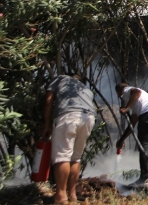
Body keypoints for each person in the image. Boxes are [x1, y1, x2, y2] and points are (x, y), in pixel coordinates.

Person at [43, 74, 96, 204]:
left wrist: (47, 124)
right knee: (75, 157)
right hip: (89, 118)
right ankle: (72, 195)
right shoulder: (86, 90)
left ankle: (60, 196)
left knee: (62, 156)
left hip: (68, 116)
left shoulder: (60, 78)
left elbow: (48, 100)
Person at [115, 83, 148, 187]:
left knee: (144, 146)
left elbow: (136, 92)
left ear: (119, 91)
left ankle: (144, 178)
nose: (120, 97)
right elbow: (133, 122)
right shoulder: (138, 101)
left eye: (119, 95)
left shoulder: (127, 91)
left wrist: (126, 108)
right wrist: (122, 139)